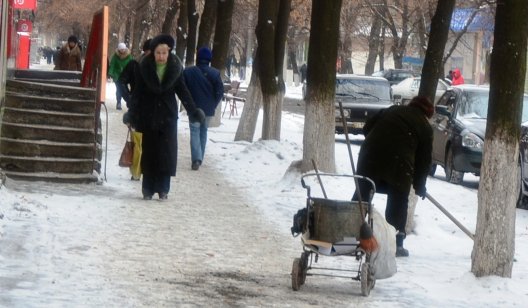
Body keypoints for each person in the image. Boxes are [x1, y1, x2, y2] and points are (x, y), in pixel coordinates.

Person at [127, 34, 205, 200]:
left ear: (169, 52)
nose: (161, 56)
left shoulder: (175, 69)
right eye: (158, 53)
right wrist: (132, 113)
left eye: (164, 53)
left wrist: (193, 111)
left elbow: (183, 91)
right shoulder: (144, 68)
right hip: (147, 117)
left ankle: (163, 188)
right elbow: (137, 93)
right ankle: (147, 189)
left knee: (165, 154)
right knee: (148, 152)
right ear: (153, 53)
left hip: (168, 117)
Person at [354, 96, 434, 257]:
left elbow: (367, 127)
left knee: (362, 195)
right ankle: (396, 243)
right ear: (428, 114)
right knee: (398, 199)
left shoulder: (391, 110)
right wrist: (419, 185)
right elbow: (423, 161)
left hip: (370, 158)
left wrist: (380, 140)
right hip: (398, 165)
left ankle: (350, 232)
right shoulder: (425, 127)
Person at [183, 47, 224, 171]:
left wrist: (189, 104)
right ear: (209, 59)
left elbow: (184, 90)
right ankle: (200, 157)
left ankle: (196, 159)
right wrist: (213, 104)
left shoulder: (188, 72)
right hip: (208, 109)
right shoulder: (215, 73)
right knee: (203, 131)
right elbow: (220, 92)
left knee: (194, 131)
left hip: (194, 108)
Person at [120, 39, 152, 181]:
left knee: (148, 142)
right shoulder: (135, 65)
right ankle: (136, 170)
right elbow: (121, 81)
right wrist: (129, 98)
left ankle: (144, 170)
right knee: (138, 141)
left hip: (153, 110)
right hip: (138, 108)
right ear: (146, 51)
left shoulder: (157, 67)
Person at [108, 42, 133, 110]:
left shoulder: (129, 57)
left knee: (126, 90)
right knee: (119, 90)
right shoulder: (115, 56)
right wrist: (110, 73)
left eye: (123, 49)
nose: (123, 51)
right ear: (119, 50)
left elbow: (133, 65)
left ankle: (129, 103)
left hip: (126, 76)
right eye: (121, 49)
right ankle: (118, 102)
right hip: (117, 76)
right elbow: (112, 65)